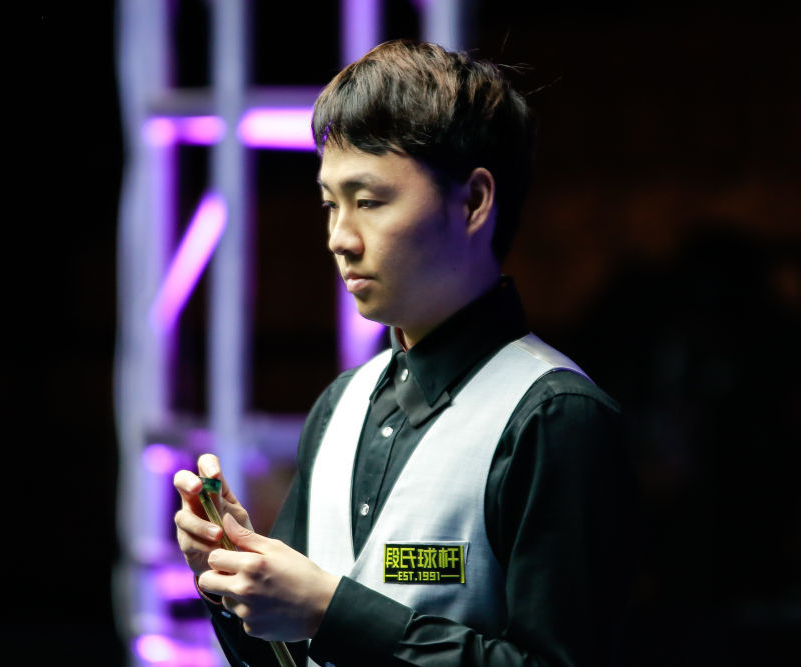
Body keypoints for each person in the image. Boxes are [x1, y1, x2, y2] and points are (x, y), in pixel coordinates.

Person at [174, 40, 637, 666]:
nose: (339, 237)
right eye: (329, 204)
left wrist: (330, 612)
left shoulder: (555, 416)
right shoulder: (340, 404)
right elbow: (290, 655)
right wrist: (236, 583)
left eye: (368, 201)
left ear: (473, 202)